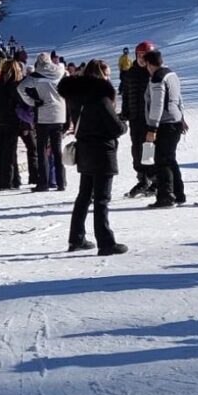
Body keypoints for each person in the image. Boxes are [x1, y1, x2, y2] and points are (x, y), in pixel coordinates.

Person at [58, 60, 128, 255]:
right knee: (101, 198)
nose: (108, 78)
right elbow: (115, 127)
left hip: (84, 149)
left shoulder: (75, 96)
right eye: (107, 74)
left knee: (84, 196)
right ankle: (106, 242)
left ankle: (76, 238)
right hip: (102, 151)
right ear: (100, 74)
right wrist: (123, 124)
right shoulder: (100, 96)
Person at [143, 49, 187, 208]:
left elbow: (157, 103)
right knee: (170, 158)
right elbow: (179, 99)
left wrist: (152, 128)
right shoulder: (171, 74)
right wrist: (182, 117)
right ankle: (179, 193)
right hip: (175, 120)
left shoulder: (157, 77)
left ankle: (166, 196)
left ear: (149, 63)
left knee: (162, 161)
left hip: (164, 123)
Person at [19, 52, 68, 192]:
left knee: (42, 150)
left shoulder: (36, 75)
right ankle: (61, 182)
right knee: (57, 150)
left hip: (43, 116)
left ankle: (43, 183)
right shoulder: (60, 72)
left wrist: (32, 101)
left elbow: (20, 88)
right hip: (59, 115)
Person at [119, 40, 156, 198]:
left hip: (151, 119)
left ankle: (155, 181)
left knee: (150, 150)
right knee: (136, 150)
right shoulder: (130, 73)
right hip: (135, 117)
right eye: (139, 55)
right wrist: (124, 113)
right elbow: (126, 95)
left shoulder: (154, 72)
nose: (142, 58)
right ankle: (142, 179)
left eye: (145, 55)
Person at [0, 60, 24, 190]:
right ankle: (6, 182)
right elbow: (21, 102)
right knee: (9, 153)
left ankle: (4, 181)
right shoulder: (14, 85)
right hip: (10, 121)